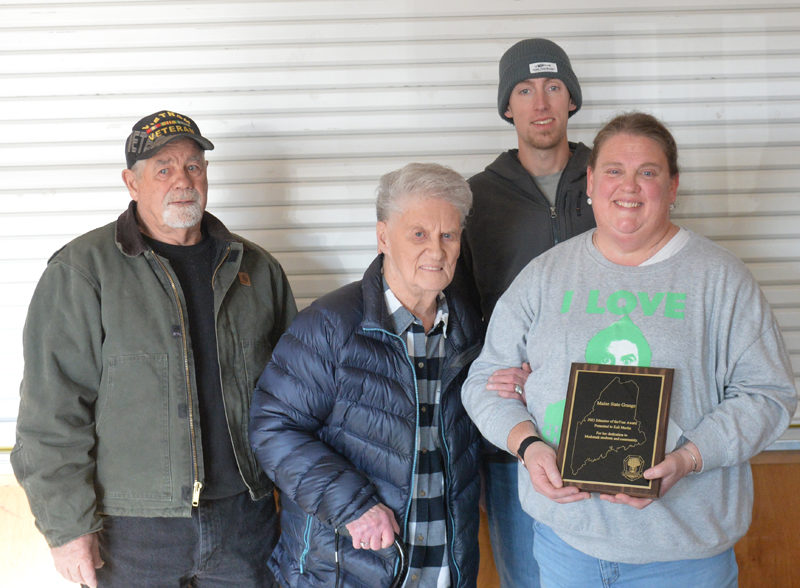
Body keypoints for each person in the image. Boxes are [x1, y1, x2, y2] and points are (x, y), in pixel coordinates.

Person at [461, 112, 797, 586]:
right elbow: (484, 381)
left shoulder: (721, 280)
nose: (630, 186)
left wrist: (688, 459)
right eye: (615, 170)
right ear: (592, 182)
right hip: (565, 547)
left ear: (673, 186)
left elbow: (769, 395)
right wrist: (528, 444)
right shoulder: (545, 275)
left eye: (649, 172)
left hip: (683, 556)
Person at [12, 110, 297, 587]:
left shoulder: (257, 269)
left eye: (193, 166)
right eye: (163, 168)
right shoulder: (83, 271)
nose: (182, 180)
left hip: (246, 523)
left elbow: (299, 400)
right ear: (131, 182)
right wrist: (68, 528)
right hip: (132, 533)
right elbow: (51, 412)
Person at [249, 163, 483, 587]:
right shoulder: (329, 326)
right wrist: (353, 505)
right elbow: (273, 429)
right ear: (382, 237)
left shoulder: (468, 329)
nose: (436, 250)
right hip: (344, 569)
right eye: (419, 234)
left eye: (448, 234)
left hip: (444, 568)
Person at [455, 38, 595, 587]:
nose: (542, 103)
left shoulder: (612, 183)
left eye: (554, 87)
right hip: (516, 431)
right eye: (525, 89)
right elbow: (458, 309)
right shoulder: (476, 199)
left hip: (610, 416)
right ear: (507, 106)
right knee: (529, 577)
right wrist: (489, 369)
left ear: (572, 101)